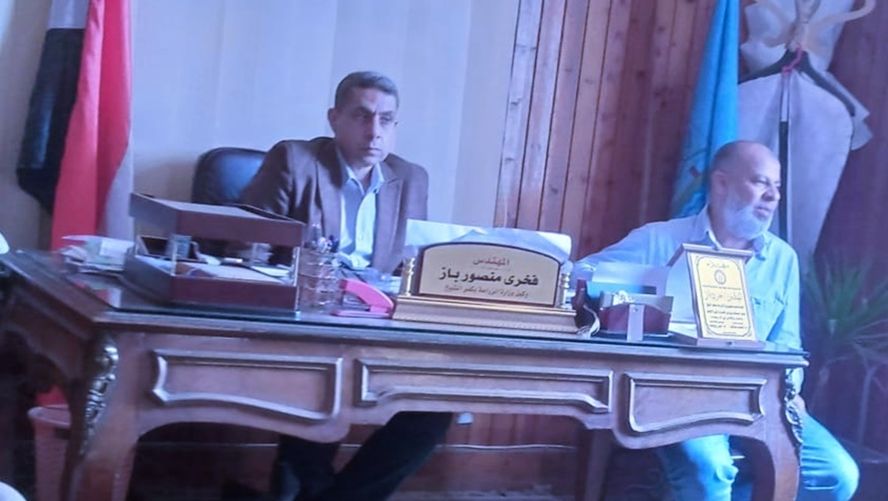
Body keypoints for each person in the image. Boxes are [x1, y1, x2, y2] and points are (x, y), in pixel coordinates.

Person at [572, 141, 859, 500]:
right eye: (760, 182)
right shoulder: (659, 240)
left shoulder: (782, 259)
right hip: (676, 394)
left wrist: (790, 392)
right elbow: (579, 276)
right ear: (721, 183)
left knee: (837, 475)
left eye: (777, 186)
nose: (773, 196)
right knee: (710, 469)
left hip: (759, 398)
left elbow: (787, 342)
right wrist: (640, 292)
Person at [238, 71, 452, 500]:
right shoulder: (295, 161)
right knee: (322, 385)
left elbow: (411, 264)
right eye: (362, 116)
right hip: (306, 324)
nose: (374, 131)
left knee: (435, 406)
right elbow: (249, 249)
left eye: (386, 120)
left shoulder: (411, 178)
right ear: (334, 119)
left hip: (379, 326)